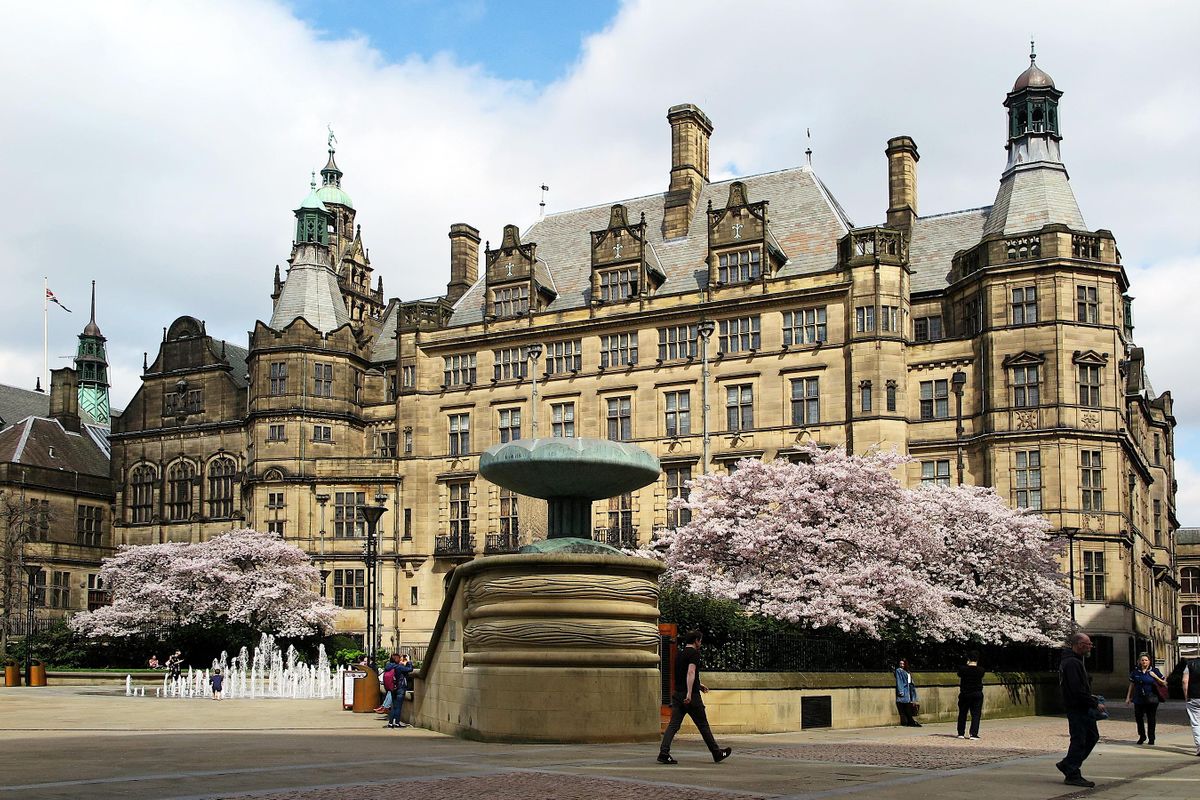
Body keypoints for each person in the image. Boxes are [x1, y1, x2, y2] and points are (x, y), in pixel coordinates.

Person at [657, 630, 732, 765]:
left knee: (673, 725)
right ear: (696, 640)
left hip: (678, 694)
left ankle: (664, 752)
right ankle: (717, 753)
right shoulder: (694, 654)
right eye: (700, 640)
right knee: (703, 725)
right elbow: (691, 672)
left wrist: (699, 685)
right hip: (690, 697)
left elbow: (684, 674)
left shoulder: (679, 654)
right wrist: (690, 694)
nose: (701, 643)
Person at [1056, 632, 1105, 788]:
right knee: (1080, 739)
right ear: (1079, 645)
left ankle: (1069, 764)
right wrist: (1093, 702)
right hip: (1078, 707)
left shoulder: (1075, 661)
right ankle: (1072, 770)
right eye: (1088, 644)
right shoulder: (1072, 663)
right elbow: (1076, 689)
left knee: (1091, 736)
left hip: (1081, 706)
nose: (1090, 646)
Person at [1124, 653, 1166, 745]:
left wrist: (1155, 676)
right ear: (1139, 661)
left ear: (1149, 661)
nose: (1144, 662)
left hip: (1151, 698)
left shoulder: (1154, 670)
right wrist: (1128, 697)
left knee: (1151, 718)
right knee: (1139, 718)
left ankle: (1151, 738)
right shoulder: (1135, 672)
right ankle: (1142, 736)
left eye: (1146, 660)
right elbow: (1132, 685)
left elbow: (1163, 682)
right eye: (1142, 660)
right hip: (1139, 698)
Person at [956, 652, 985, 739]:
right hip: (976, 693)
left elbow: (959, 674)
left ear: (968, 659)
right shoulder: (981, 670)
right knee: (976, 714)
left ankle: (961, 733)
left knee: (962, 713)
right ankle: (973, 733)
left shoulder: (963, 669)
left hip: (965, 693)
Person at [382, 652, 414, 729]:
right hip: (400, 688)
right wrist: (408, 661)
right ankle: (396, 722)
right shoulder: (398, 667)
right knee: (398, 707)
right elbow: (410, 669)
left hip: (392, 688)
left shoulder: (388, 666)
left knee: (393, 706)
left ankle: (390, 723)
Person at [894, 658, 921, 727]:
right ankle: (910, 721)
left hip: (910, 690)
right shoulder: (898, 670)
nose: (901, 665)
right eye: (900, 664)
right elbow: (899, 681)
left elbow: (910, 681)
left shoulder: (907, 671)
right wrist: (901, 691)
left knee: (908, 706)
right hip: (904, 690)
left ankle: (909, 722)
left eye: (903, 663)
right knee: (906, 707)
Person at [1183, 654, 1200, 757]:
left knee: (1196, 723)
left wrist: (1186, 696)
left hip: (1194, 696)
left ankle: (1199, 745)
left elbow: (1185, 681)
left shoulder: (1190, 664)